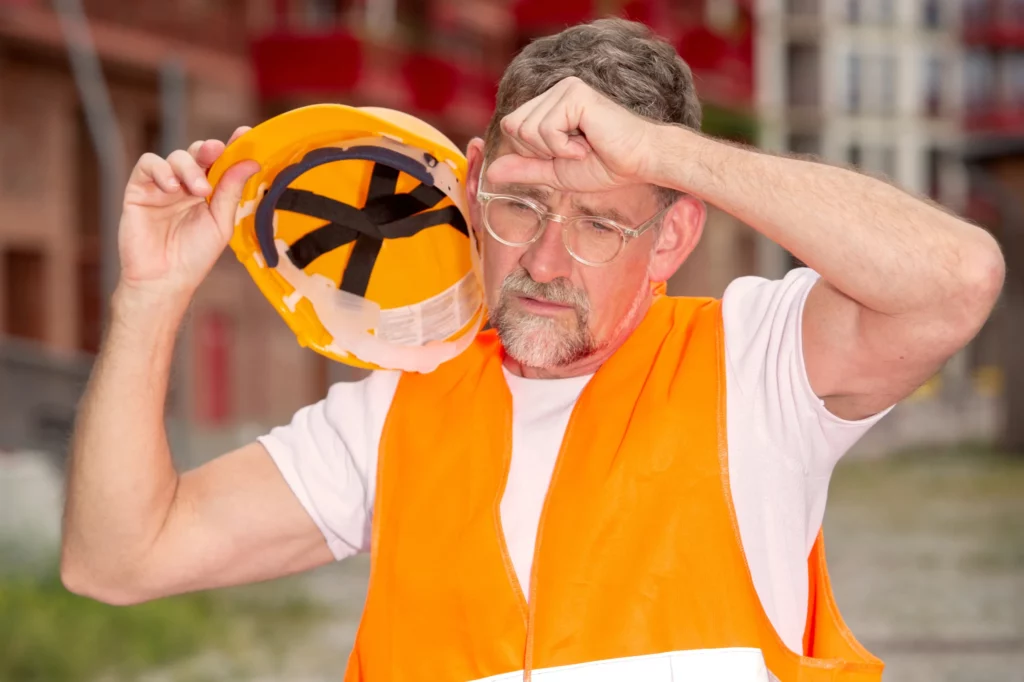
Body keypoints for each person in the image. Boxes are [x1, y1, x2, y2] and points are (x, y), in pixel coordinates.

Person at [61, 18, 1004, 682]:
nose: (545, 260)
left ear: (672, 237)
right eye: (517, 206)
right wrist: (149, 295)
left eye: (601, 221)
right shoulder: (401, 404)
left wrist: (666, 153)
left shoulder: (757, 367)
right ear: (468, 186)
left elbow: (954, 278)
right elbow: (116, 560)